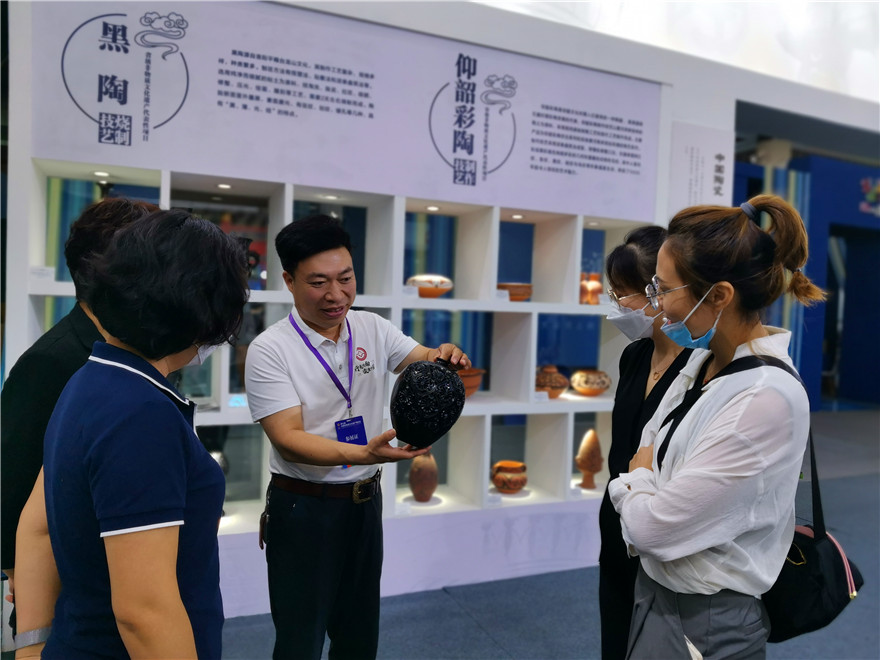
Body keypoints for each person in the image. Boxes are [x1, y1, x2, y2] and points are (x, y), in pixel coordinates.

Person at [13, 209, 250, 659]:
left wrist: (31, 646)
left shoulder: (92, 377)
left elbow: (38, 526)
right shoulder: (140, 413)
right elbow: (144, 613)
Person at [244, 214, 470, 660]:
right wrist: (364, 453)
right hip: (303, 508)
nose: (336, 294)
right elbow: (288, 438)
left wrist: (443, 355)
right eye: (319, 282)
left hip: (365, 505)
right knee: (300, 643)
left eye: (345, 278)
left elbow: (420, 357)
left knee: (359, 639)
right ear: (289, 281)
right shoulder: (270, 349)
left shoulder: (371, 327)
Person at [609, 195, 824, 658]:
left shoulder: (764, 399)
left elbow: (651, 530)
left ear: (720, 295)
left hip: (706, 619)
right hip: (661, 596)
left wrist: (635, 482)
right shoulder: (703, 361)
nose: (657, 304)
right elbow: (647, 443)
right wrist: (646, 486)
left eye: (665, 289)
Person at [1, 197, 158, 613]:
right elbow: (12, 474)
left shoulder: (138, 345)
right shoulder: (52, 359)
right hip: (67, 580)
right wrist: (24, 579)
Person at [598, 226, 693, 660]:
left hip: (663, 529)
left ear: (657, 292)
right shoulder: (634, 354)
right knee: (616, 637)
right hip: (617, 519)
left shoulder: (700, 365)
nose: (617, 305)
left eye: (623, 294)